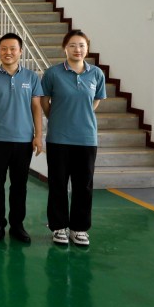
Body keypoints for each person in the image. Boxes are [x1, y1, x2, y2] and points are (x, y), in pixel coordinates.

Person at [0, 33, 44, 243]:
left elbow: (36, 108)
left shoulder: (31, 77)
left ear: (20, 51)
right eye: (4, 48)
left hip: (23, 141)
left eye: (13, 48)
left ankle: (17, 225)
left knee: (19, 186)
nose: (8, 52)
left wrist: (38, 135)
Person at [41, 29, 105, 246]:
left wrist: (81, 115)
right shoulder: (53, 74)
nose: (77, 49)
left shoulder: (96, 74)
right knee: (58, 183)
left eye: (81, 45)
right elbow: (45, 102)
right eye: (72, 45)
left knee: (83, 185)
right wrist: (58, 118)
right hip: (58, 138)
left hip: (86, 138)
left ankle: (79, 228)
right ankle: (58, 226)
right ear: (64, 48)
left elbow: (95, 101)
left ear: (87, 48)